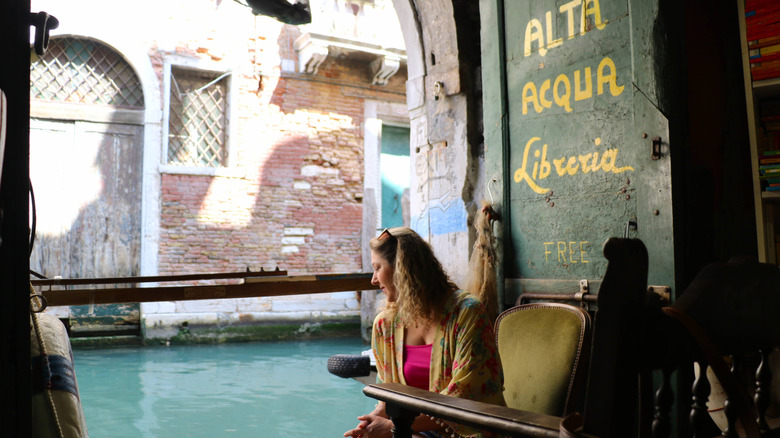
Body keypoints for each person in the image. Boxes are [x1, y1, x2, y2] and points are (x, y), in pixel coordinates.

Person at [344, 227, 505, 438]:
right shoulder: (385, 325)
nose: (373, 280)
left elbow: (466, 397)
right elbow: (388, 395)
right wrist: (371, 423)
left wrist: (393, 428)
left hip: (466, 430)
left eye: (377, 268)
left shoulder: (466, 313)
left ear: (402, 270)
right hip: (412, 430)